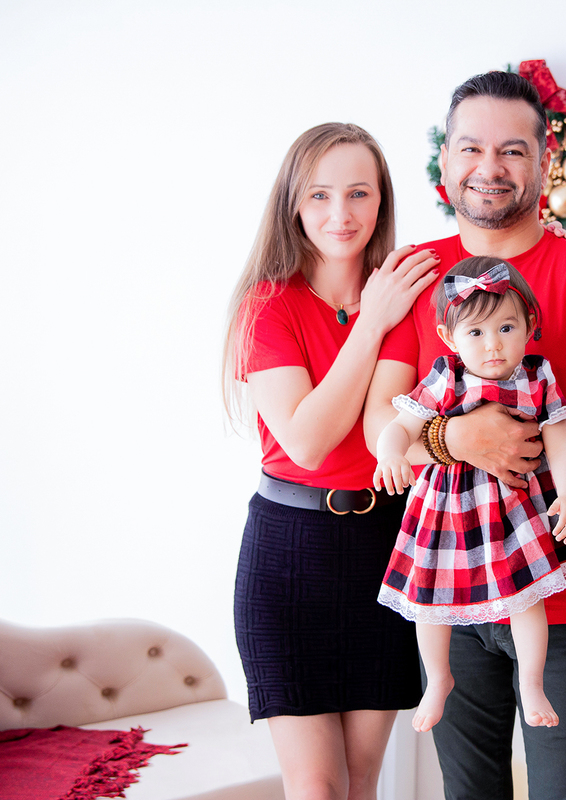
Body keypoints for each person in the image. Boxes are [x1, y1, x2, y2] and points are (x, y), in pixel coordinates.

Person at [364, 72, 566, 800]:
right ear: (445, 160)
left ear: (543, 158)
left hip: (564, 600)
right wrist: (456, 440)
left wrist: (547, 536)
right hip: (451, 590)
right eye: (471, 147)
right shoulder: (414, 278)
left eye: (511, 150)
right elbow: (381, 421)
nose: (489, 167)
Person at [221, 122, 440, 800]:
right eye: (319, 195)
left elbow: (383, 420)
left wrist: (380, 311)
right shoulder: (269, 307)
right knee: (316, 787)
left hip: (384, 549)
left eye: (357, 193)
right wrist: (369, 321)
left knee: (361, 782)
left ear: (381, 202)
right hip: (289, 557)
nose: (339, 214)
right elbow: (308, 442)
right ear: (293, 203)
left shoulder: (401, 297)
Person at [372, 257, 566, 734]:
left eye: (506, 327)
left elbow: (562, 443)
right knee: (429, 601)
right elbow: (400, 426)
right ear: (450, 338)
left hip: (515, 511)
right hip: (446, 510)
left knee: (526, 598)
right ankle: (438, 678)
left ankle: (531, 682)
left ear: (530, 325)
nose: (493, 344)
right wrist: (390, 455)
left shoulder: (537, 377)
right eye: (475, 333)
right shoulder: (446, 377)